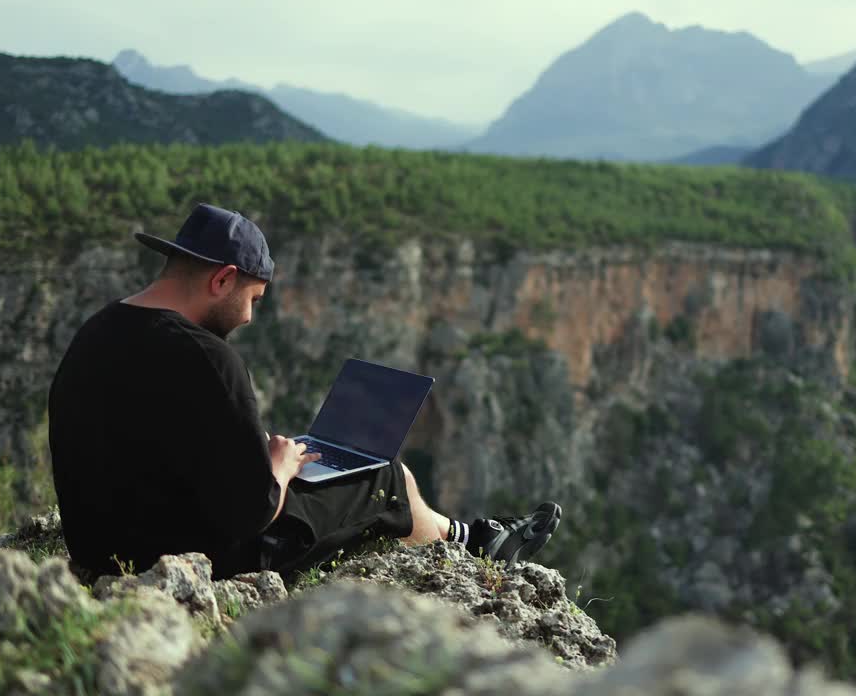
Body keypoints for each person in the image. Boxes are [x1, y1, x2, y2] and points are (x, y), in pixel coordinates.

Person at [47, 203, 561, 580]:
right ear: (223, 279)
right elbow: (252, 510)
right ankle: (477, 544)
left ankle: (476, 537)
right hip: (191, 561)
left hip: (99, 549)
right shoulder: (207, 356)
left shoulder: (98, 330)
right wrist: (279, 466)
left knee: (325, 461)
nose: (249, 317)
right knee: (382, 473)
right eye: (253, 299)